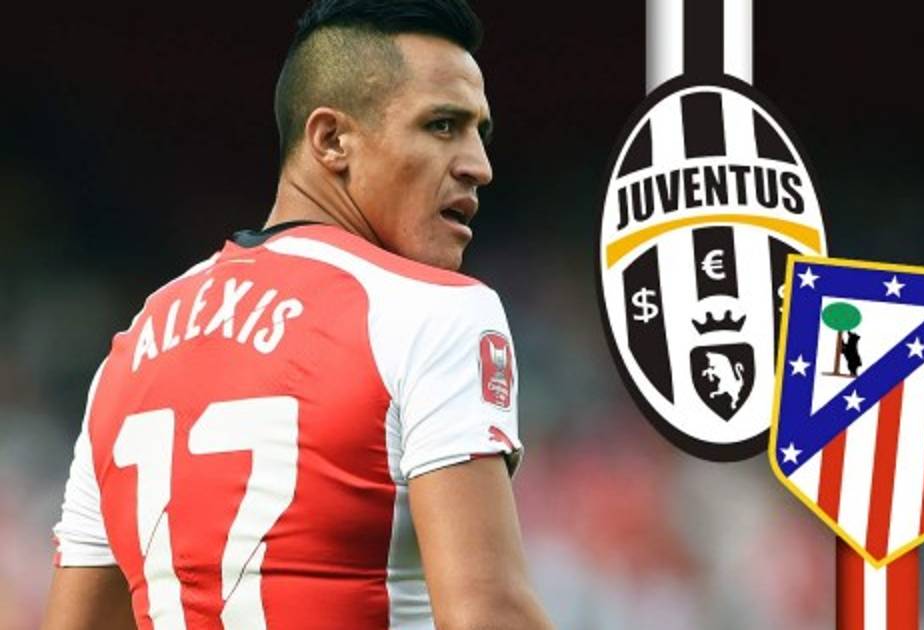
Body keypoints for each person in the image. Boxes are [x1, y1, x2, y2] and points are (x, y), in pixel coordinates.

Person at [41, 1, 552, 628]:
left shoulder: (128, 354)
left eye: (480, 133)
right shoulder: (435, 311)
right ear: (331, 140)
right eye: (442, 125)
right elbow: (488, 614)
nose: (480, 166)